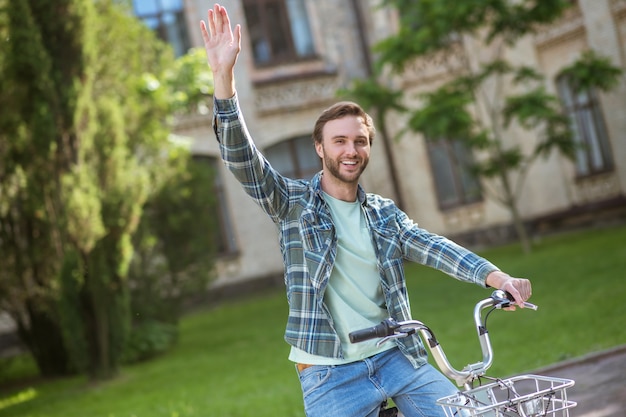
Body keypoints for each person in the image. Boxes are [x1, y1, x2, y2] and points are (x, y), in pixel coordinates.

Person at [200, 4, 533, 417]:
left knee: (459, 413)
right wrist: (223, 78)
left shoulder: (383, 214)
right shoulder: (293, 204)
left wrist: (497, 277)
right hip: (330, 373)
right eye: (339, 141)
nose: (350, 150)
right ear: (320, 149)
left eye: (359, 141)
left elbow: (434, 246)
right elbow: (241, 159)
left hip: (398, 359)